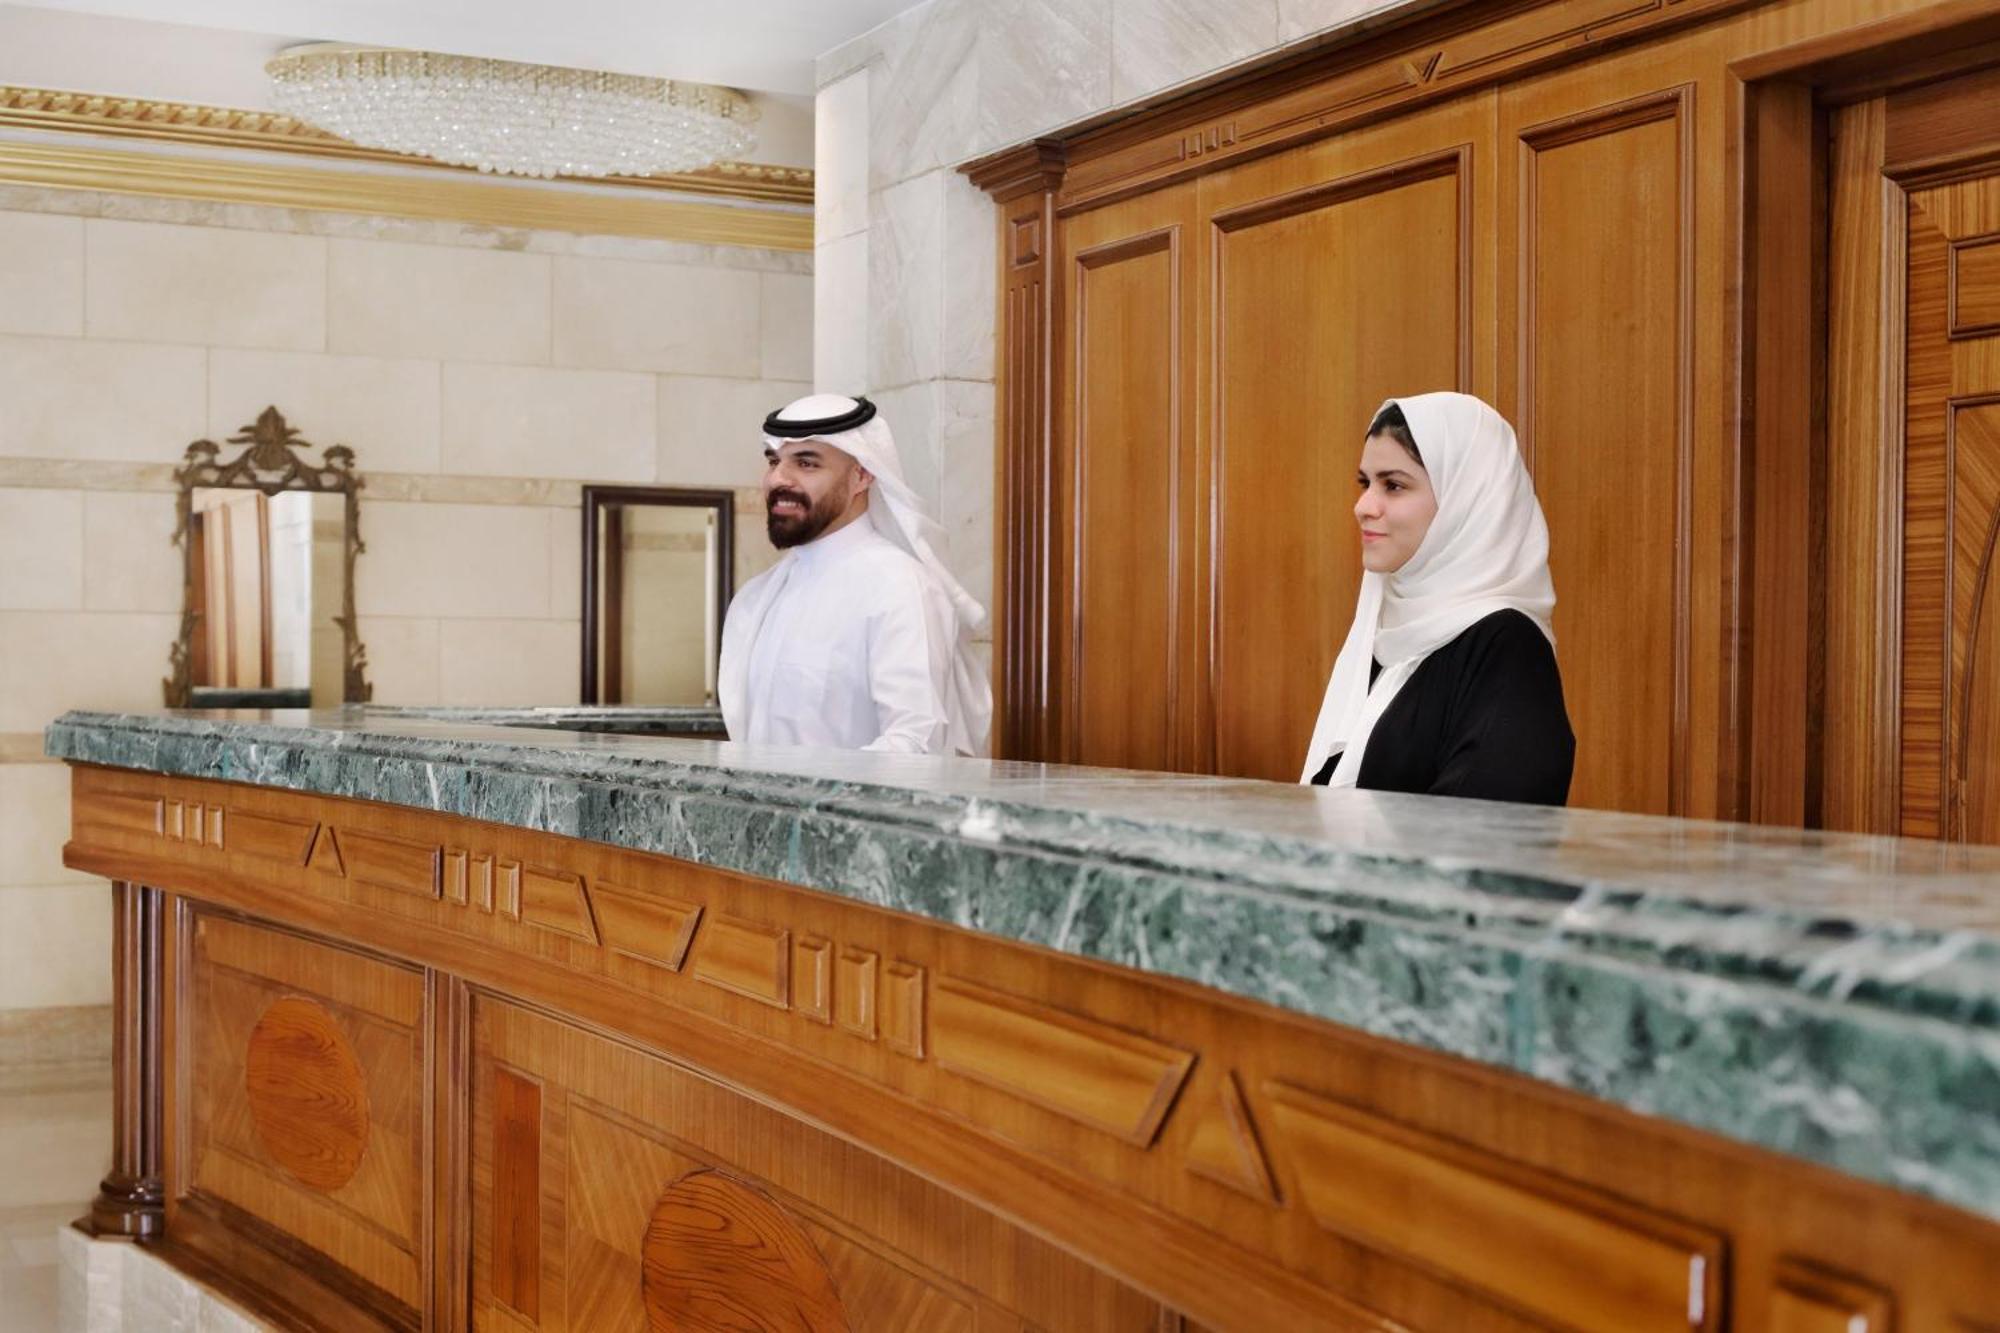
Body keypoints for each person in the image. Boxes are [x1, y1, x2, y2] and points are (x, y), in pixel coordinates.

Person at [1301, 392, 1574, 803]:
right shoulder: (1382, 635)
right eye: (1365, 483)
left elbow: (1485, 837)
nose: (1363, 506)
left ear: (1465, 502)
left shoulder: (1507, 645)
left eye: (1393, 485)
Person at [718, 393, 990, 756]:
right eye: (774, 461)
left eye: (806, 463)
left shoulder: (900, 588)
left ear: (861, 475)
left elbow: (914, 743)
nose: (778, 479)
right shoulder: (756, 597)